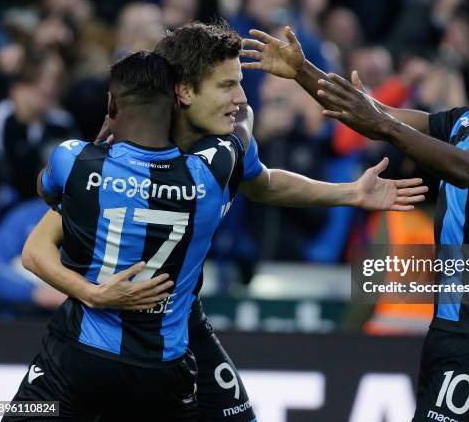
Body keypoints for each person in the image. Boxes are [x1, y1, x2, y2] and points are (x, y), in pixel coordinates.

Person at [22, 22, 428, 422]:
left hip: (179, 322)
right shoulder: (200, 153)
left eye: (240, 83)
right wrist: (92, 292)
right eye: (226, 86)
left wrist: (351, 193)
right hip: (132, 349)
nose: (240, 98)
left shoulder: (117, 152)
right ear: (183, 91)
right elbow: (39, 245)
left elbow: (262, 182)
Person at [241, 0, 469, 421]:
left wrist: (383, 123)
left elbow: (466, 167)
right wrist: (302, 71)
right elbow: (373, 116)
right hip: (452, 322)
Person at [6, 50, 205, 421]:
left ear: (111, 104)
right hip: (162, 375)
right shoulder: (207, 179)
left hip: (76, 366)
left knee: (21, 411)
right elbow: (243, 139)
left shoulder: (74, 160)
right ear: (177, 104)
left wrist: (93, 293)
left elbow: (45, 195)